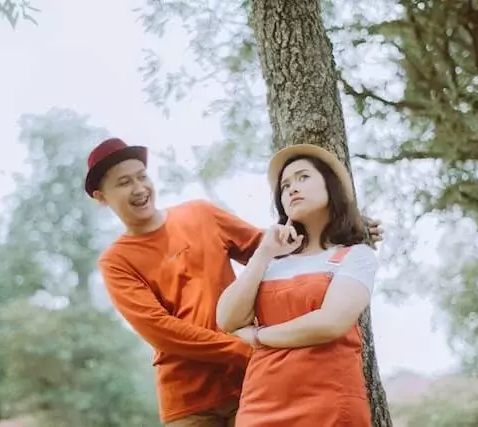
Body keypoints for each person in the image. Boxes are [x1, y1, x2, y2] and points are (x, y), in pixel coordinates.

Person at [85, 137, 383, 427]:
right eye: (124, 183)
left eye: (142, 176)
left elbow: (274, 246)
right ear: (101, 197)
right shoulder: (115, 261)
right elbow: (161, 331)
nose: (139, 188)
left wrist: (347, 225)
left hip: (251, 387)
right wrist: (248, 346)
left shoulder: (201, 214)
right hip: (190, 400)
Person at [216, 144, 379, 427]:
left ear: (331, 187)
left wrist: (258, 336)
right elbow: (227, 318)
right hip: (260, 403)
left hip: (329, 403)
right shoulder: (271, 263)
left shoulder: (355, 256)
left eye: (303, 177)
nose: (292, 188)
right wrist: (264, 253)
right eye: (285, 186)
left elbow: (330, 323)